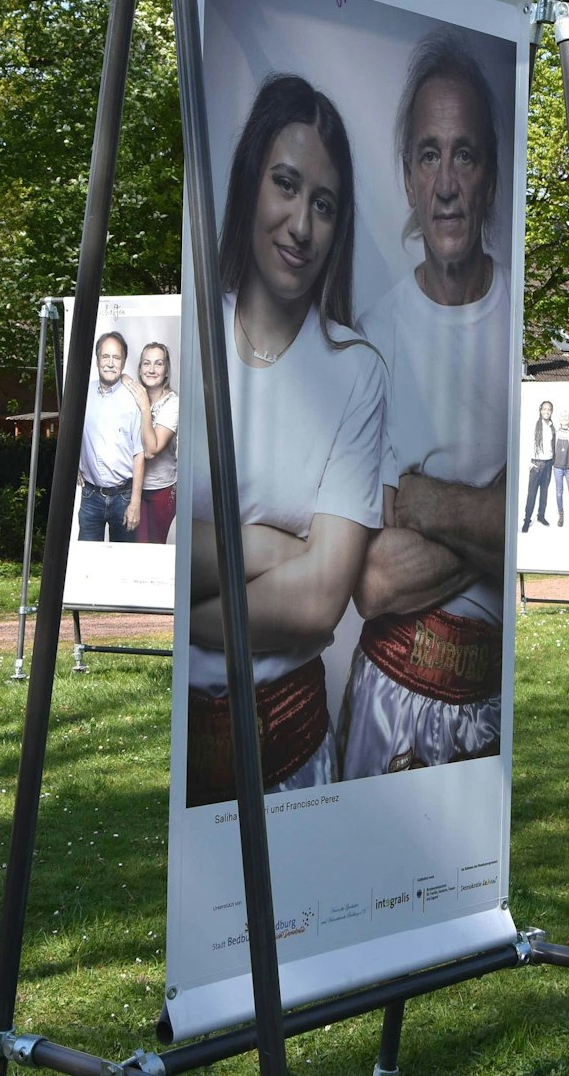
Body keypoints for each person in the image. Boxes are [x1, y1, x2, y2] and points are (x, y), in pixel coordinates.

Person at [184, 73, 385, 808]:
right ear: (249, 184)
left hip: (292, 754)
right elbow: (156, 545)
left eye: (323, 204)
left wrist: (195, 607)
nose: (301, 224)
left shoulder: (356, 372)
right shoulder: (188, 335)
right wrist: (266, 549)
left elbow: (318, 603)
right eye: (286, 185)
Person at [344, 32, 510, 781]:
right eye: (429, 155)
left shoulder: (521, 328)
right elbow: (374, 581)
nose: (447, 183)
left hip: (491, 705)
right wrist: (493, 511)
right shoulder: (373, 339)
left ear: (492, 177)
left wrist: (419, 500)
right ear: (409, 178)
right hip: (390, 702)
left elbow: (535, 533)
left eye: (465, 154)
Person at [78, 330, 145, 542]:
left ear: (124, 362)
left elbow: (140, 453)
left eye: (116, 357)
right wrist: (74, 466)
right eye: (105, 357)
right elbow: (71, 434)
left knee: (124, 568)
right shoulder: (82, 395)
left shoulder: (133, 399)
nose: (110, 363)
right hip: (90, 497)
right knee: (88, 567)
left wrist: (135, 503)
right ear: (97, 360)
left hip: (124, 498)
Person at [129, 341, 179, 544]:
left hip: (162, 489)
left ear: (166, 371)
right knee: (134, 550)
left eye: (158, 364)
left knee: (155, 549)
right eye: (146, 363)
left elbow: (150, 450)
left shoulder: (173, 403)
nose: (151, 369)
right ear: (139, 369)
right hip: (132, 488)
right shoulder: (131, 396)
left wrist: (144, 407)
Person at [521, 400, 555, 530]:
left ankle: (541, 516)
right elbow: (526, 442)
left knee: (544, 492)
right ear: (540, 410)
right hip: (537, 464)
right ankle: (527, 519)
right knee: (532, 493)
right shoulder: (535, 425)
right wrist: (529, 462)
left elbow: (552, 445)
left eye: (549, 409)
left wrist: (552, 461)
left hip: (548, 464)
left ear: (551, 411)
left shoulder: (552, 427)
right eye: (544, 409)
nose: (547, 411)